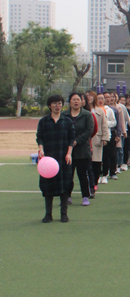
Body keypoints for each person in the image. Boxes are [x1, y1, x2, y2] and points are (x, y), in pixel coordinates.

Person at [37, 94, 75, 223]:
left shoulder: (67, 121)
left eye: (59, 103)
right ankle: (48, 214)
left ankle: (64, 213)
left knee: (65, 186)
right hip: (48, 159)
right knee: (48, 187)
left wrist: (69, 153)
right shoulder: (43, 121)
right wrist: (41, 149)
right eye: (54, 103)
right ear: (49, 106)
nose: (57, 106)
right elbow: (39, 137)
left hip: (63, 158)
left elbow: (71, 138)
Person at [63, 92, 94, 206]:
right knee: (67, 175)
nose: (76, 102)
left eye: (78, 99)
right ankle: (67, 196)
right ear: (69, 102)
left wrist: (76, 141)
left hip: (82, 150)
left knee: (82, 175)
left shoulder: (87, 115)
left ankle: (85, 196)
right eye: (73, 99)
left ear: (82, 102)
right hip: (67, 151)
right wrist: (69, 142)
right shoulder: (64, 115)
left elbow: (89, 131)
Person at [90, 93, 110, 189]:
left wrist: (105, 138)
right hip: (85, 140)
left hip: (97, 138)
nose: (89, 98)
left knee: (96, 161)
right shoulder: (82, 110)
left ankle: (95, 182)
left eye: (91, 96)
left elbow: (104, 125)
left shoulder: (100, 110)